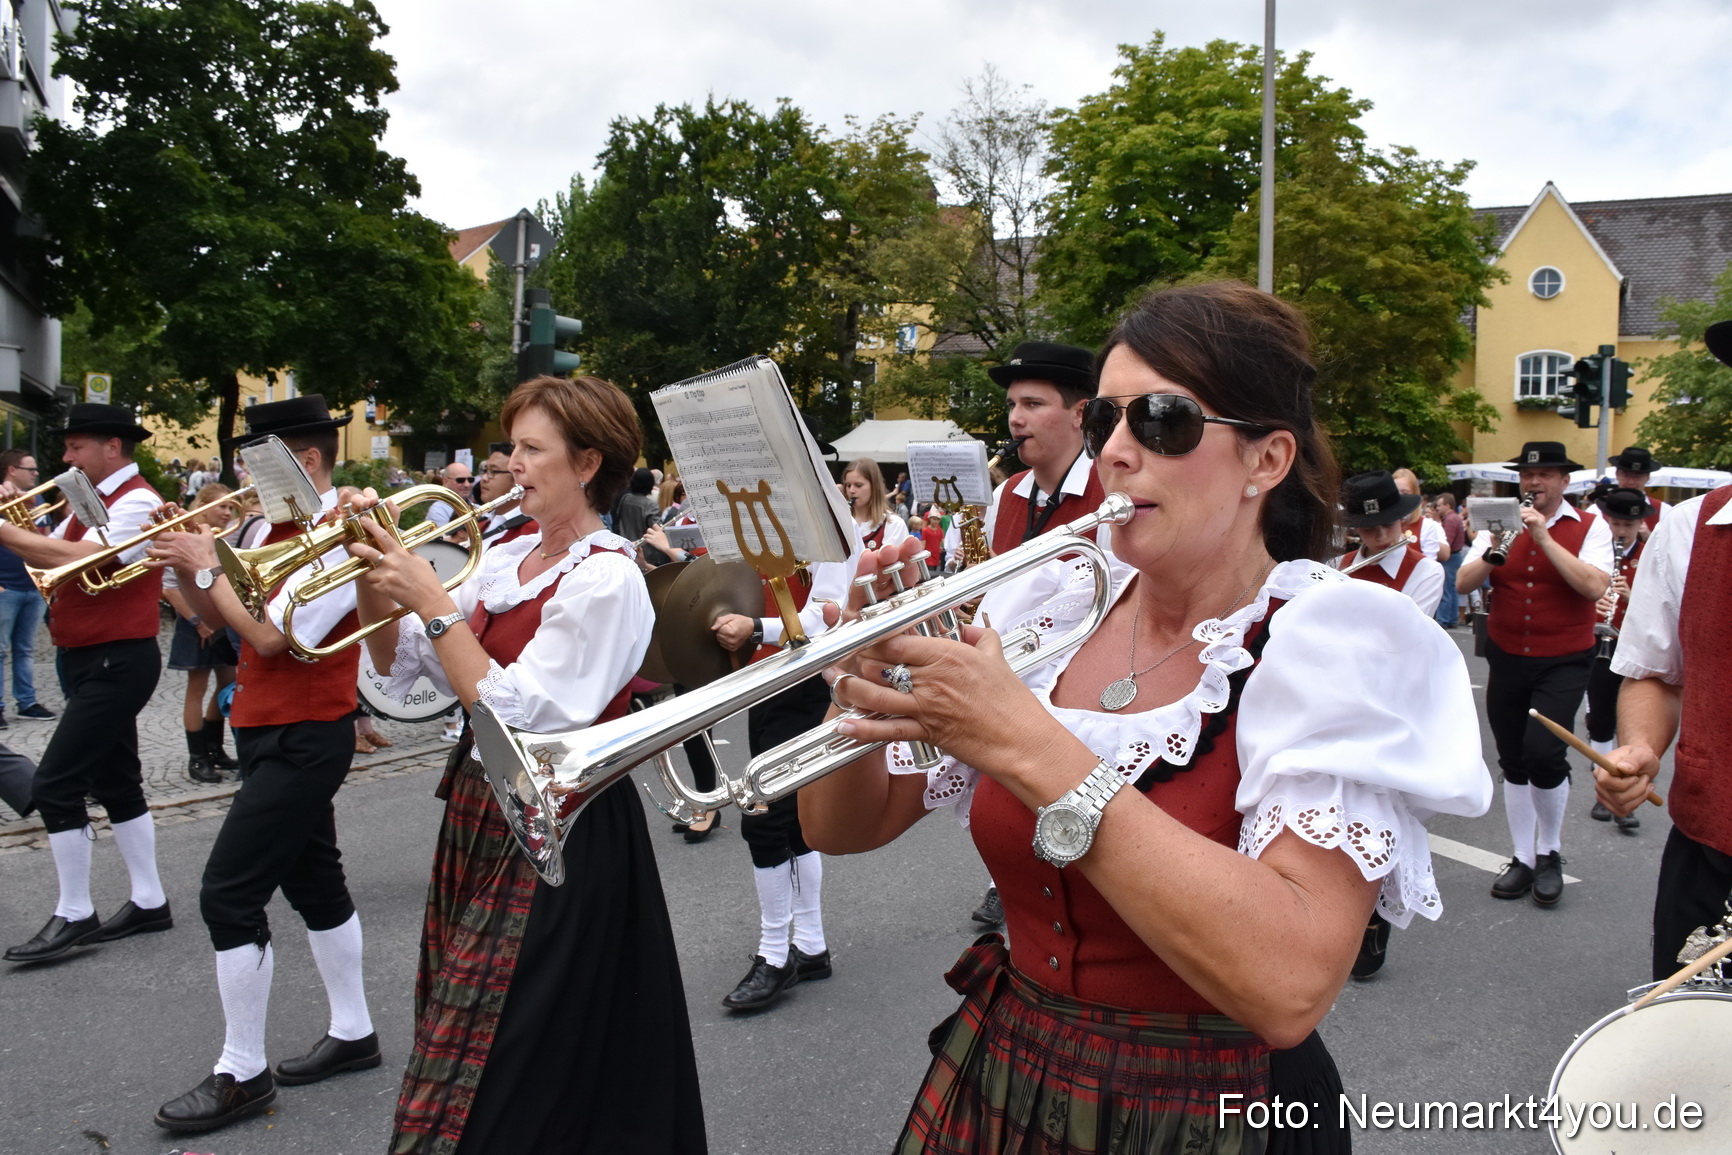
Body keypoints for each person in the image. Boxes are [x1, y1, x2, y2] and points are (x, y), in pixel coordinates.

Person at [802, 280, 1489, 1155]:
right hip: (1018, 1061)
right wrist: (855, 679)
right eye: (1106, 424)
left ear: (1266, 460)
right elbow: (843, 827)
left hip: (1221, 1107)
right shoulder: (1047, 606)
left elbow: (1290, 985)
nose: (1118, 452)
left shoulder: (1331, 637)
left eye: (1163, 420)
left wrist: (1030, 744)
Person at [344, 375, 703, 1154]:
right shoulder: (507, 556)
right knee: (471, 1036)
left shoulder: (608, 576)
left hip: (561, 828)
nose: (509, 463)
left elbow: (523, 710)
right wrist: (373, 577)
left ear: (586, 463)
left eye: (530, 448)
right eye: (512, 446)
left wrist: (433, 601)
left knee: (494, 1066)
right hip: (481, 808)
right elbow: (395, 667)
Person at [146, 396, 382, 1134]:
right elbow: (216, 623)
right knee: (315, 880)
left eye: (255, 462)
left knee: (227, 893)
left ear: (303, 462)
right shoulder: (259, 527)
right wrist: (183, 565)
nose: (243, 477)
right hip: (261, 725)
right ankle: (355, 1032)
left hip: (311, 729)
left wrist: (208, 562)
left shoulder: (334, 531)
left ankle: (241, 1071)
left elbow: (274, 636)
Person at [0, 404, 171, 964]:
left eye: (76, 447)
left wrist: (8, 530)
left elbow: (86, 558)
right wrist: (22, 531)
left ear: (112, 448)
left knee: (55, 785)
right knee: (119, 780)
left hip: (117, 658)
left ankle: (75, 911)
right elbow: (52, 559)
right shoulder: (87, 500)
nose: (65, 457)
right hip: (86, 656)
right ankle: (149, 900)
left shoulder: (140, 500)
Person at [1599, 320, 1732, 983]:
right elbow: (1654, 671)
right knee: (1691, 1063)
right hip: (1712, 858)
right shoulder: (1689, 529)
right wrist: (1639, 747)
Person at [972, 340, 1115, 926]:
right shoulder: (1006, 494)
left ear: (1080, 414)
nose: (1015, 418)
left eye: (1033, 403)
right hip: (1009, 686)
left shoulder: (1111, 494)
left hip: (1081, 692)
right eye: (1012, 404)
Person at [708, 517, 858, 1013]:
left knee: (766, 821)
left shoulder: (831, 522)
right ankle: (811, 947)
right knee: (789, 824)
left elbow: (828, 616)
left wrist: (757, 628)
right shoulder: (766, 517)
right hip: (769, 679)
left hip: (809, 681)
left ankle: (776, 956)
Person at [1455, 441, 1612, 908]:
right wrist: (1496, 546)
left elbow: (1594, 586)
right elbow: (1463, 583)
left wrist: (1543, 537)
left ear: (1565, 482)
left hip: (1564, 657)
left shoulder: (1590, 525)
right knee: (1513, 758)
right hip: (1507, 656)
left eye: (1545, 475)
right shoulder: (1498, 517)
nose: (1534, 482)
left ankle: (1550, 853)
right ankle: (1522, 856)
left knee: (1544, 753)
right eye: (1527, 475)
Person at [161, 481, 241, 784]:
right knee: (197, 688)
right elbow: (169, 588)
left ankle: (215, 747)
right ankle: (197, 758)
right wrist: (199, 621)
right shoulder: (187, 536)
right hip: (195, 620)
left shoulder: (226, 534)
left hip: (219, 618)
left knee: (227, 683)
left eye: (230, 507)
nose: (227, 512)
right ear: (204, 506)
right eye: (220, 506)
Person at [1583, 487, 1648, 833]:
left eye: (1628, 524)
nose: (1621, 531)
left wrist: (1631, 596)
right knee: (1601, 717)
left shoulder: (1651, 554)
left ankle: (1628, 795)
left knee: (1633, 722)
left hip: (1636, 646)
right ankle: (1603, 786)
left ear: (1641, 523)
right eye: (1616, 523)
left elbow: (1665, 608)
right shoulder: (1597, 553)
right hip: (1601, 644)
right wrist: (1595, 606)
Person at [1337, 471, 1444, 617]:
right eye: (1369, 529)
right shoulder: (1335, 566)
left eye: (1388, 524)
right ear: (1356, 528)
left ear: (1401, 519)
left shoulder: (1426, 572)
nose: (1382, 536)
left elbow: (1408, 632)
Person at [0, 449, 54, 724]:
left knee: (25, 649)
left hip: (33, 585)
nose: (35, 474)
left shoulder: (38, 498)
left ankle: (27, 702)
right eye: (29, 469)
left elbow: (45, 540)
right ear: (11, 470)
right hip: (5, 586)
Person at [843, 457, 908, 550]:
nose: (851, 490)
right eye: (848, 485)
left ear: (874, 486)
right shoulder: (839, 523)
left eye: (858, 485)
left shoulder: (893, 525)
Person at [1392, 467, 1450, 566]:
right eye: (1395, 493)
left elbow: (1430, 566)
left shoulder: (1428, 526)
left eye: (1405, 493)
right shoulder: (1381, 525)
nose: (1399, 497)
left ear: (1415, 495)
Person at [1607, 446, 1671, 532]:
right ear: (1617, 474)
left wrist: (1649, 538)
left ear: (1648, 477)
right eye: (1626, 475)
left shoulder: (1665, 511)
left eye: (1638, 476)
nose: (1631, 482)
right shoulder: (1596, 511)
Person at [1434, 492, 1468, 628]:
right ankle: (1452, 619)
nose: (1437, 508)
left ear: (1447, 506)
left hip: (1451, 557)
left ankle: (1443, 620)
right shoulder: (1454, 518)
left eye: (1440, 505)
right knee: (1452, 590)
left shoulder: (1450, 520)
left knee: (1446, 590)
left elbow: (1446, 542)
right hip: (1456, 556)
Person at [614, 466, 660, 542]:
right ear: (651, 484)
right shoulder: (651, 505)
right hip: (644, 547)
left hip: (625, 544)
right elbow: (657, 529)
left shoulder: (625, 499)